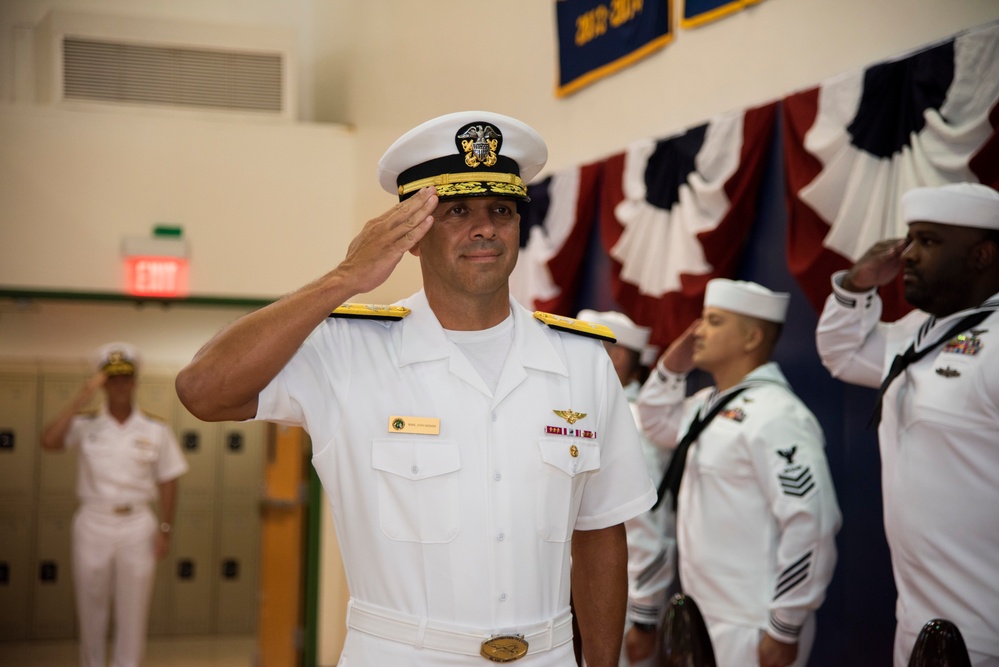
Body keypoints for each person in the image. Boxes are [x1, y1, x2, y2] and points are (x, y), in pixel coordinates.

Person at [175, 111, 657, 666]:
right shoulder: (349, 350)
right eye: (457, 212)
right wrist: (345, 278)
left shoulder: (579, 361)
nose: (485, 228)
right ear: (412, 235)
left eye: (501, 210)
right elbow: (203, 391)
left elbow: (599, 530)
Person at [815, 182, 999, 667]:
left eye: (930, 241)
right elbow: (841, 352)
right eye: (910, 239)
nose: (909, 255)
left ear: (982, 255)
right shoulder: (915, 333)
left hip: (986, 632)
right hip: (915, 621)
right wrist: (857, 282)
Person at [637, 279, 841, 667]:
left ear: (751, 338)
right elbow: (655, 421)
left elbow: (811, 523)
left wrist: (786, 624)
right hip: (707, 612)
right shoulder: (704, 405)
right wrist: (671, 368)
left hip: (753, 620)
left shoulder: (776, 414)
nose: (698, 331)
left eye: (713, 321)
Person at [40, 342, 188, 667]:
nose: (120, 385)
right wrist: (82, 396)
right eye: (113, 378)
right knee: (91, 608)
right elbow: (49, 441)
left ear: (135, 381)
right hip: (93, 524)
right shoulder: (85, 424)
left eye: (126, 378)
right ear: (104, 383)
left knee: (133, 611)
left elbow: (169, 479)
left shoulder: (155, 429)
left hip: (137, 526)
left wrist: (165, 527)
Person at [576, 309, 677, 667]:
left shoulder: (630, 420)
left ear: (615, 355)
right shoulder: (592, 412)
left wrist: (645, 619)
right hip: (593, 593)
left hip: (623, 602)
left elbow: (649, 529)